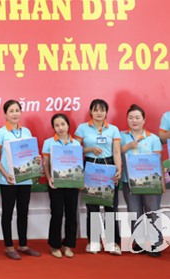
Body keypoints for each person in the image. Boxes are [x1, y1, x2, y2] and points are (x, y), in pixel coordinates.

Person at [0, 99, 41, 260]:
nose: (15, 114)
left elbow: (30, 154)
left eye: (17, 110)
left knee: (23, 212)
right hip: (8, 180)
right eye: (11, 111)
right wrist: (5, 174)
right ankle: (8, 246)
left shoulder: (26, 131)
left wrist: (37, 161)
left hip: (25, 179)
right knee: (7, 213)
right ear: (5, 114)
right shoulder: (0, 133)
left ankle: (23, 244)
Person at [74, 99, 122, 255]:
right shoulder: (82, 128)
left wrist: (118, 170)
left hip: (109, 167)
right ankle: (93, 241)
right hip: (90, 167)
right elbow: (74, 149)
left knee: (110, 206)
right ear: (91, 112)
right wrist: (89, 149)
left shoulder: (113, 129)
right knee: (93, 207)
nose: (99, 113)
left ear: (106, 112)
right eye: (96, 110)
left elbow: (116, 151)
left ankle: (112, 242)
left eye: (102, 110)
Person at [121, 104, 163, 257]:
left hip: (150, 182)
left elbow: (158, 160)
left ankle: (155, 244)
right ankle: (138, 242)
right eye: (131, 117)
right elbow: (114, 152)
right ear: (127, 119)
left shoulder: (153, 139)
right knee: (134, 213)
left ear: (144, 120)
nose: (134, 120)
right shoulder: (121, 136)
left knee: (152, 211)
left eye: (137, 117)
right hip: (129, 182)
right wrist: (127, 147)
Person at [42, 113, 81, 259]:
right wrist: (49, 178)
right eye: (57, 125)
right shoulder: (48, 142)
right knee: (57, 213)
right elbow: (45, 163)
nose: (60, 128)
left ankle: (69, 245)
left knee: (71, 213)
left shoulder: (76, 144)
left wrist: (79, 181)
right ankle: (55, 245)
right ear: (53, 127)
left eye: (63, 124)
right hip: (56, 184)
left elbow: (78, 165)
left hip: (72, 184)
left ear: (68, 125)